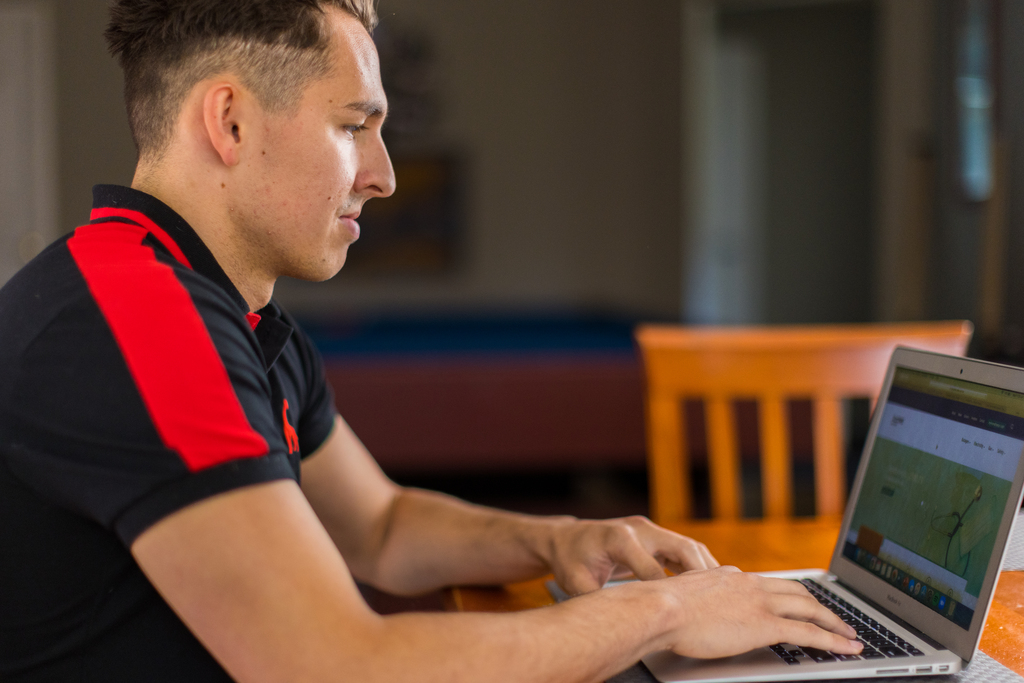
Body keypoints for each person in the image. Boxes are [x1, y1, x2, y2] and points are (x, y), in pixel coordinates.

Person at [0, 1, 862, 681]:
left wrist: (558, 538)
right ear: (228, 122)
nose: (384, 175)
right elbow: (336, 665)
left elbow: (381, 526)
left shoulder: (212, 305)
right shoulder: (140, 324)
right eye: (352, 125)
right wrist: (671, 612)